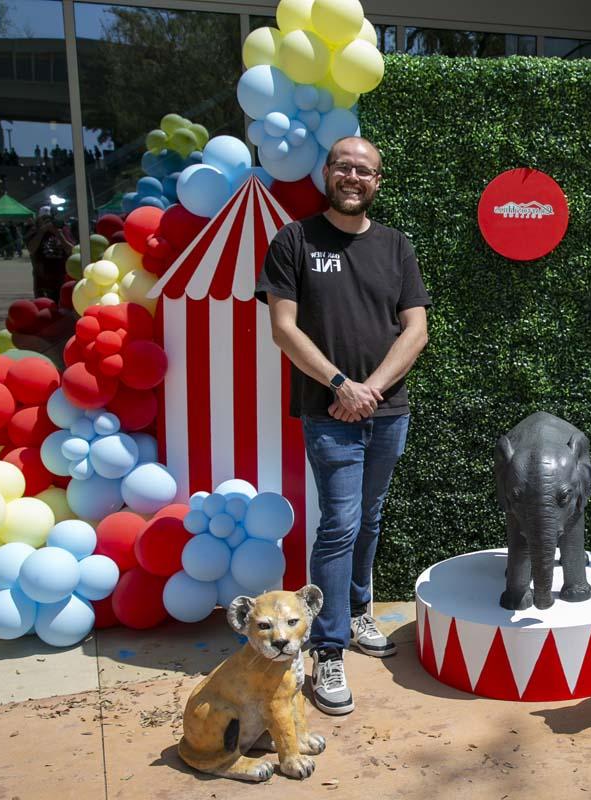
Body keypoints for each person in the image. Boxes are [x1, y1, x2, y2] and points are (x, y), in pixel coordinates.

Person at [257, 135, 431, 715]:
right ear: (327, 173)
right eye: (345, 166)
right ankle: (326, 648)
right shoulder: (295, 241)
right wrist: (339, 385)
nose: (354, 176)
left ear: (378, 181)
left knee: (371, 516)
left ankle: (356, 613)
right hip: (327, 412)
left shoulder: (396, 246)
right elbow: (284, 328)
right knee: (340, 524)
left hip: (386, 412)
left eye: (366, 170)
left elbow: (416, 330)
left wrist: (370, 390)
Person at [25, 206, 72, 301]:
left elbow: (71, 250)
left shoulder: (62, 229)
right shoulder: (34, 231)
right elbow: (31, 249)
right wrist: (41, 232)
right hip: (42, 279)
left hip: (61, 277)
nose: (47, 222)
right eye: (43, 219)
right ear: (38, 220)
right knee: (42, 306)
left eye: (49, 219)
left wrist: (59, 235)